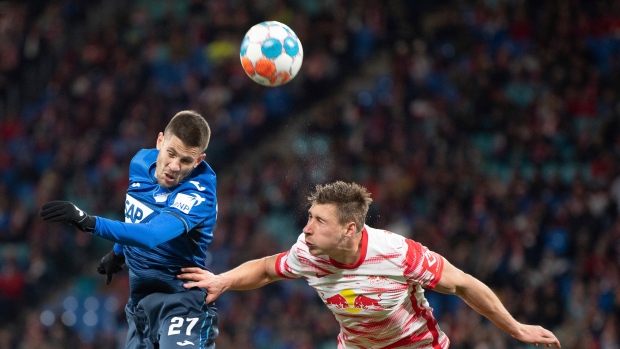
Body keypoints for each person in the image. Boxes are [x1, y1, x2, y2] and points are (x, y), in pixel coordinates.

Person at [177, 181, 562, 349]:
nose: (306, 229)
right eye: (309, 217)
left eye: (318, 221)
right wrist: (224, 280)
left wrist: (515, 328)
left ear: (350, 229)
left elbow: (462, 284)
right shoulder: (307, 252)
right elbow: (264, 267)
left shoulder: (398, 253)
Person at [39, 110, 219, 349]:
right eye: (171, 153)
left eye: (186, 160)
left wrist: (87, 221)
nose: (174, 166)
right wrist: (117, 253)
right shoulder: (140, 163)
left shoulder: (198, 193)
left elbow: (152, 235)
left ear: (198, 161)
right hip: (141, 307)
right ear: (159, 141)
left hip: (182, 303)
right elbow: (138, 219)